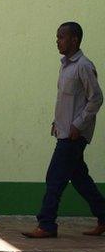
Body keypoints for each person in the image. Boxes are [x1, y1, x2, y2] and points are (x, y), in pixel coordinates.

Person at [23, 22, 105, 238]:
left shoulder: (84, 66)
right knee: (80, 178)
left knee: (55, 177)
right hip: (64, 132)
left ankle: (47, 224)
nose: (57, 41)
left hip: (74, 135)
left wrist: (79, 124)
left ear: (74, 40)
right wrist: (57, 122)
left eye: (61, 37)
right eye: (57, 36)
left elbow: (96, 98)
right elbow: (68, 100)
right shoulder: (65, 65)